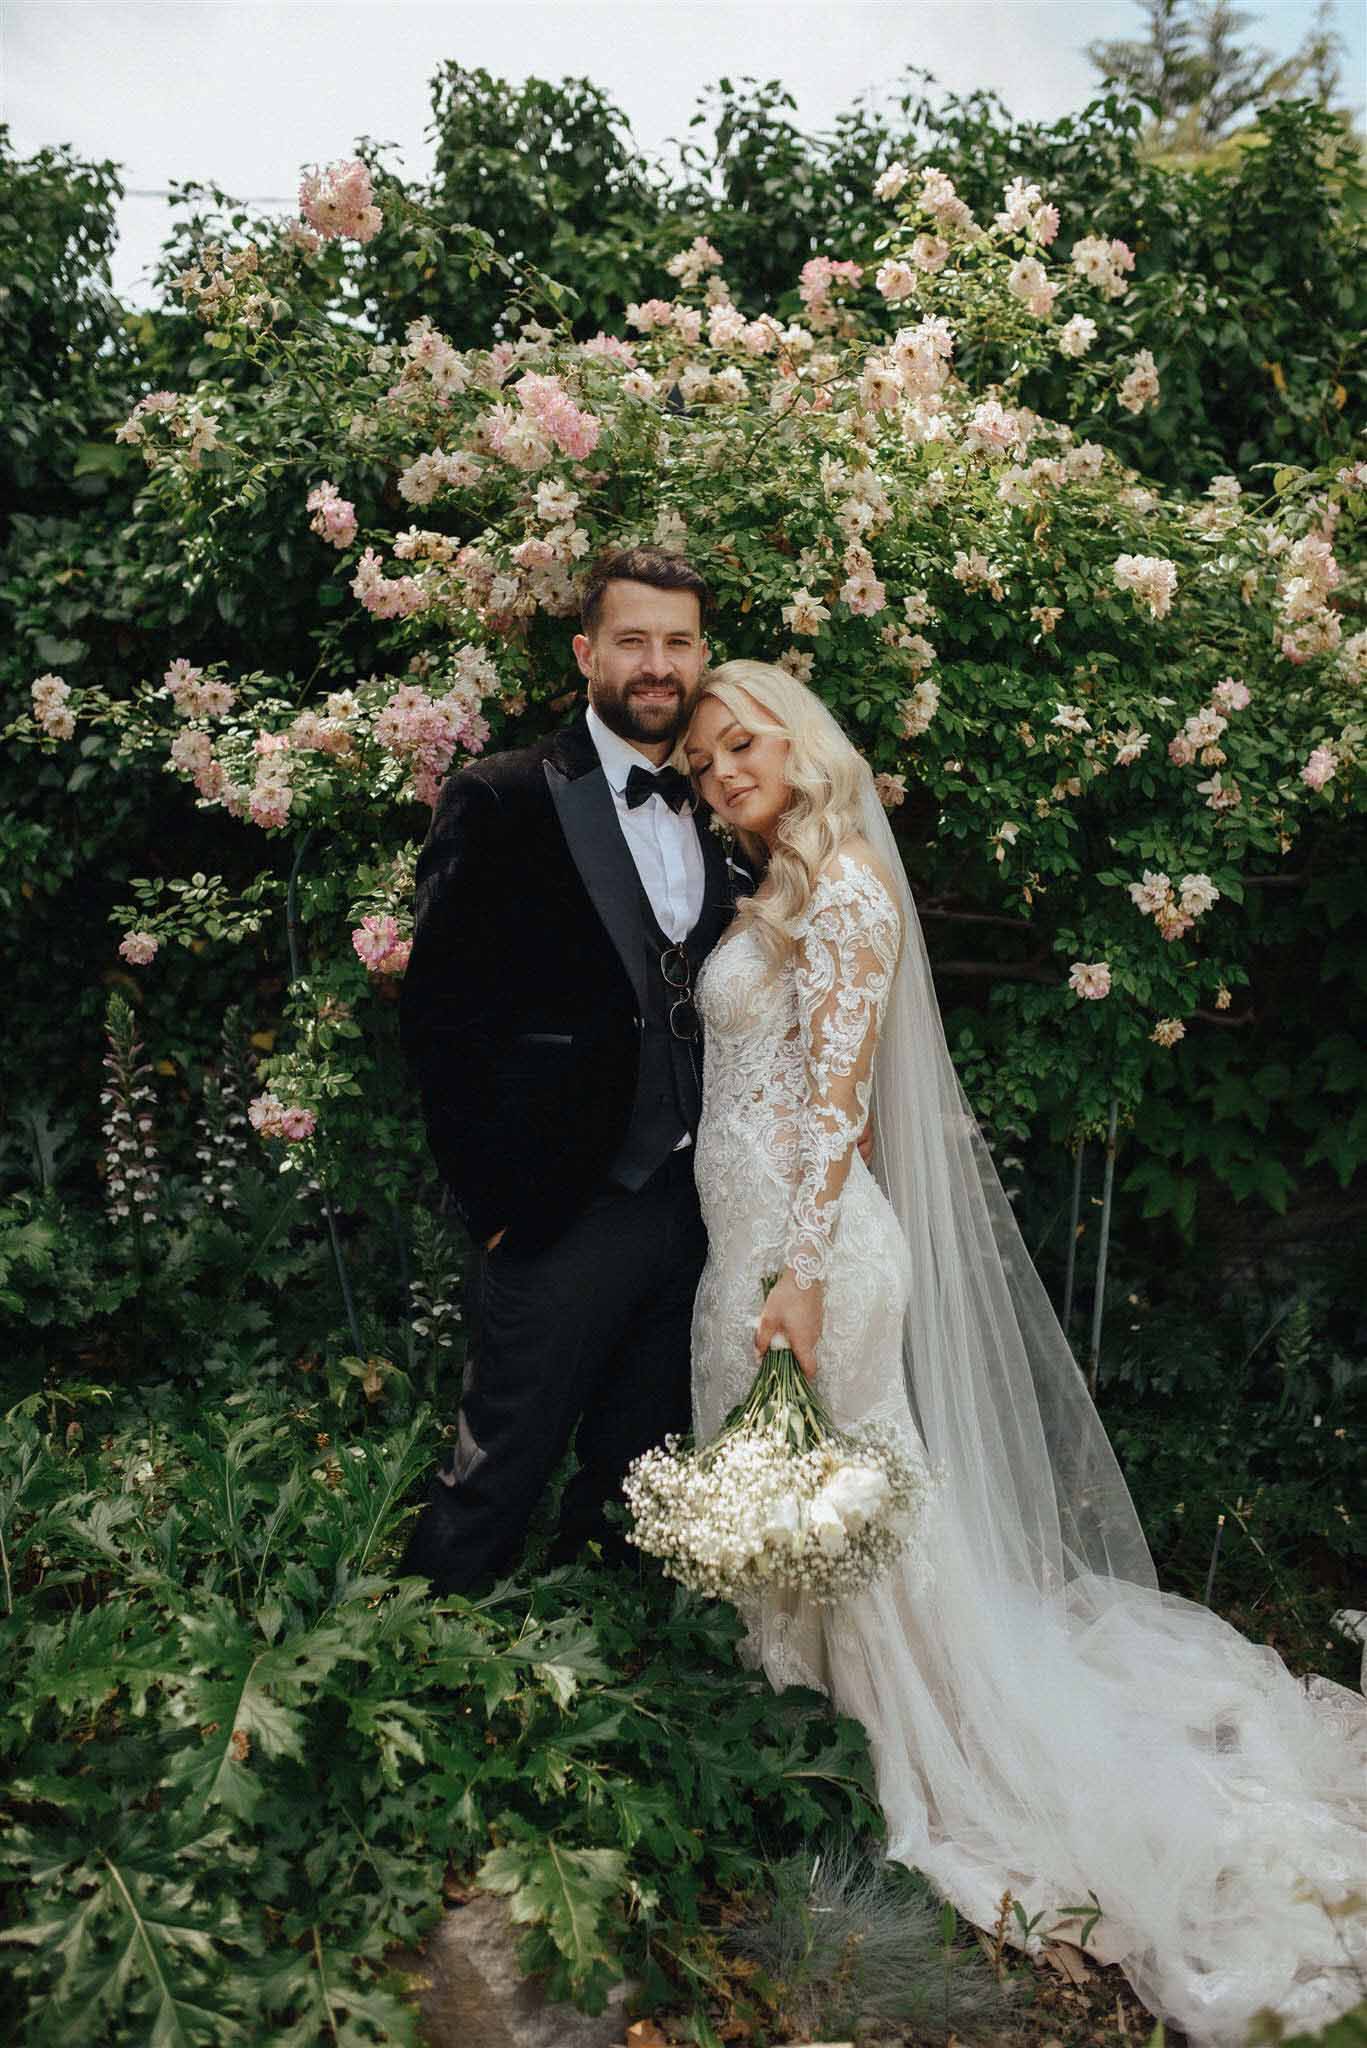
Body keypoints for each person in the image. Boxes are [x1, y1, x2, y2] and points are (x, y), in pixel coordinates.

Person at [681, 657, 1367, 2048]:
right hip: (750, 1247)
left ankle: (868, 1750)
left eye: (738, 744)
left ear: (797, 745)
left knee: (848, 1510)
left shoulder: (848, 893)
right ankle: (788, 1722)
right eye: (700, 762)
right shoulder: (771, 895)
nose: (718, 772)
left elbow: (834, 1107)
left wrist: (801, 1278)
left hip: (800, 1263)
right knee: (792, 1499)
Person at [398, 547, 741, 1593]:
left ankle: (595, 1686)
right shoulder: (500, 798)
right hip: (561, 1203)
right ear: (587, 651)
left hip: (704, 1204)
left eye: (677, 641)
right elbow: (438, 1018)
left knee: (640, 1473)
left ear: (700, 655)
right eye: (633, 639)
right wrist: (494, 1203)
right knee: (496, 1468)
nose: (656, 664)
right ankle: (409, 1664)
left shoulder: (731, 802)